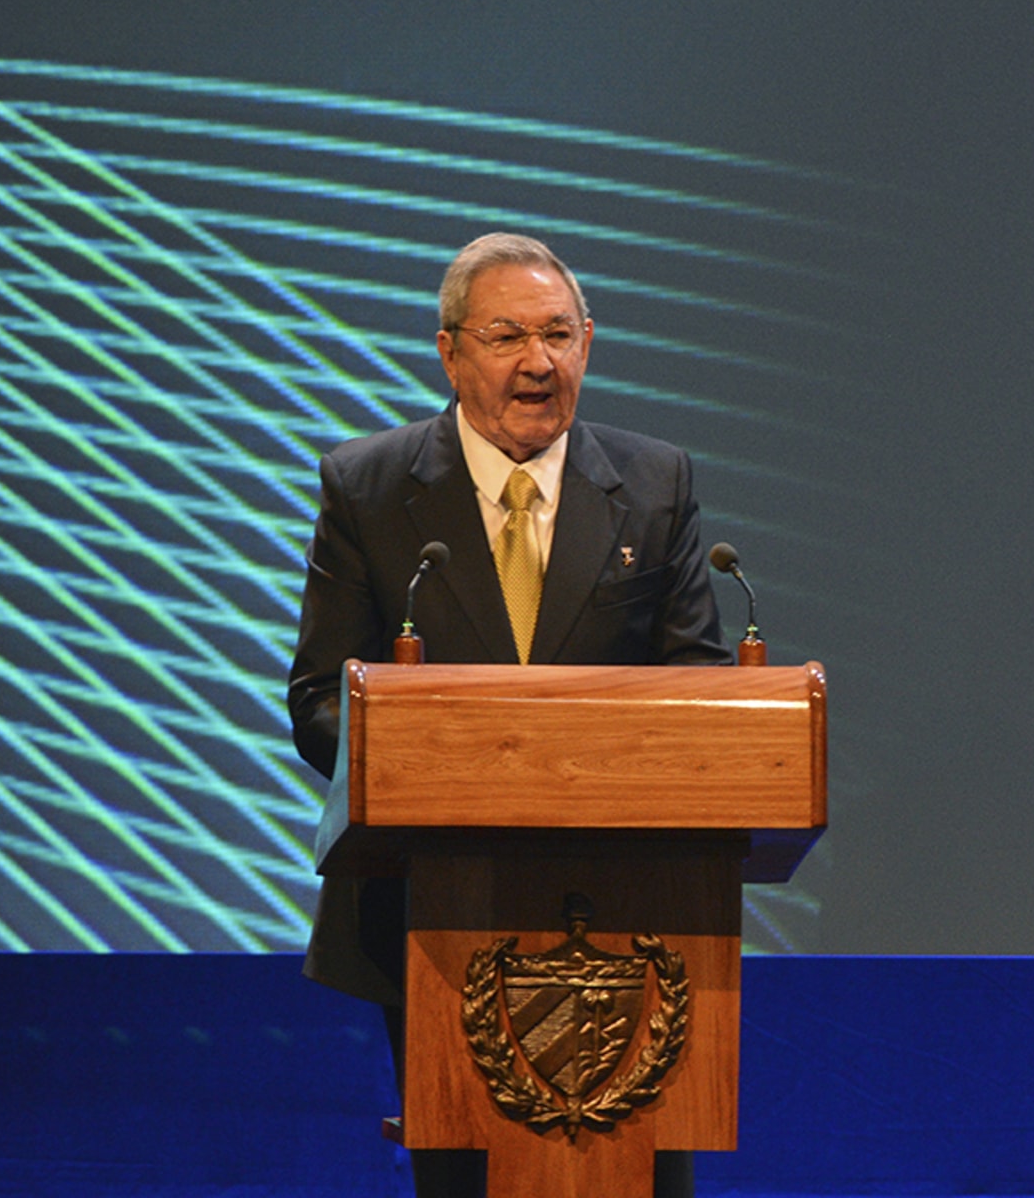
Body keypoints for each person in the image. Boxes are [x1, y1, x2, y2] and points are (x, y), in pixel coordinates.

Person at [287, 233, 732, 1197]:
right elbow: (321, 700)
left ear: (589, 344)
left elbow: (698, 693)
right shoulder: (367, 487)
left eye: (560, 335)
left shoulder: (656, 487)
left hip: (637, 916)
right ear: (449, 353)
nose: (539, 363)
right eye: (506, 337)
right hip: (436, 917)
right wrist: (440, 759)